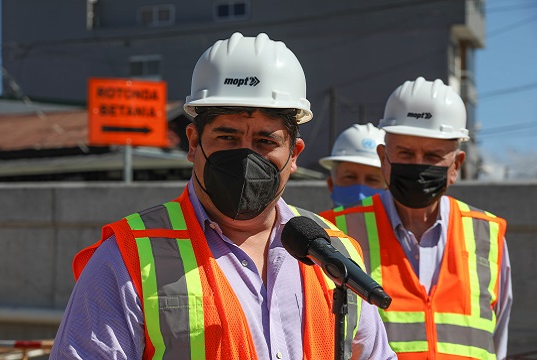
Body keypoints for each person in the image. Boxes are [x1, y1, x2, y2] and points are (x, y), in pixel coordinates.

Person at [50, 32, 396, 360]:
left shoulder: (335, 254)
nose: (246, 158)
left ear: (294, 155)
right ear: (193, 142)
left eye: (265, 142)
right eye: (227, 138)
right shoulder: (126, 259)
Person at [320, 77, 512, 359]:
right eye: (406, 153)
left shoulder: (487, 236)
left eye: (433, 155)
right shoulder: (335, 232)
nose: (418, 166)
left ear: (456, 165)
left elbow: (498, 342)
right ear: (384, 158)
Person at [319, 123, 386, 207]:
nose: (360, 191)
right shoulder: (315, 220)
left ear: (387, 188)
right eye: (350, 177)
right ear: (331, 184)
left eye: (372, 179)